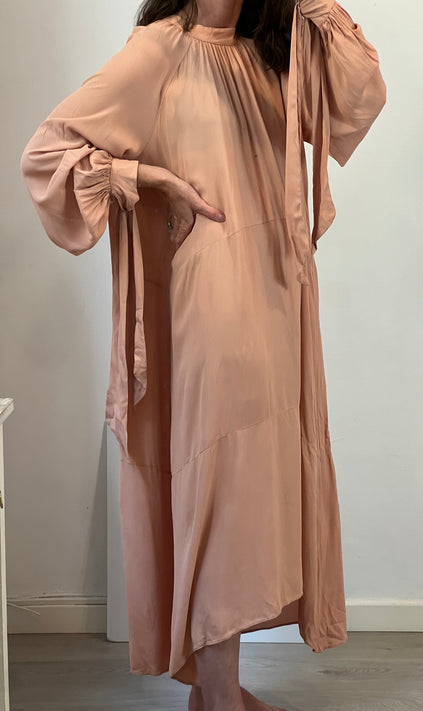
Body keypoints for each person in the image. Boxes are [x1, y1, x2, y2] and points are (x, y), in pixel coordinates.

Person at [20, 0, 386, 709]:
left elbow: (359, 98)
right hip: (212, 303)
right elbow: (47, 154)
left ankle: (217, 691)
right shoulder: (160, 49)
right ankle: (217, 696)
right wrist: (148, 179)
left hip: (279, 298)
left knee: (248, 493)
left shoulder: (272, 52)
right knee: (220, 486)